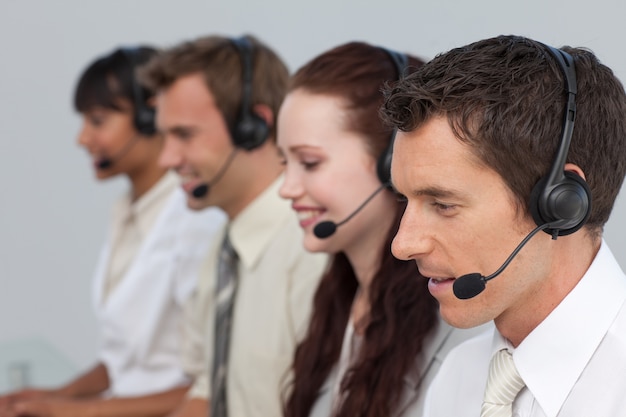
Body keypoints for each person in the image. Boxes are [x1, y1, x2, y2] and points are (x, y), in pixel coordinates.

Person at [382, 34, 626, 416]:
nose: (403, 244)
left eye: (443, 204)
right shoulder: (458, 377)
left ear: (560, 204)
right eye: (405, 200)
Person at [0, 47, 226, 417]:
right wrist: (51, 396)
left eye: (98, 120)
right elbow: (123, 360)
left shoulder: (194, 220)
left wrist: (74, 411)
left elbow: (207, 385)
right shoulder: (127, 211)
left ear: (151, 118)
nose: (82, 138)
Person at [277, 41, 489, 417]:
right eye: (284, 161)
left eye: (309, 163)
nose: (286, 188)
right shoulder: (340, 298)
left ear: (390, 161)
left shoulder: (459, 318)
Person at [138, 34, 327, 417]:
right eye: (164, 137)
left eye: (184, 135)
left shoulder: (311, 248)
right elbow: (208, 389)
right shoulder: (223, 250)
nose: (167, 159)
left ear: (254, 126)